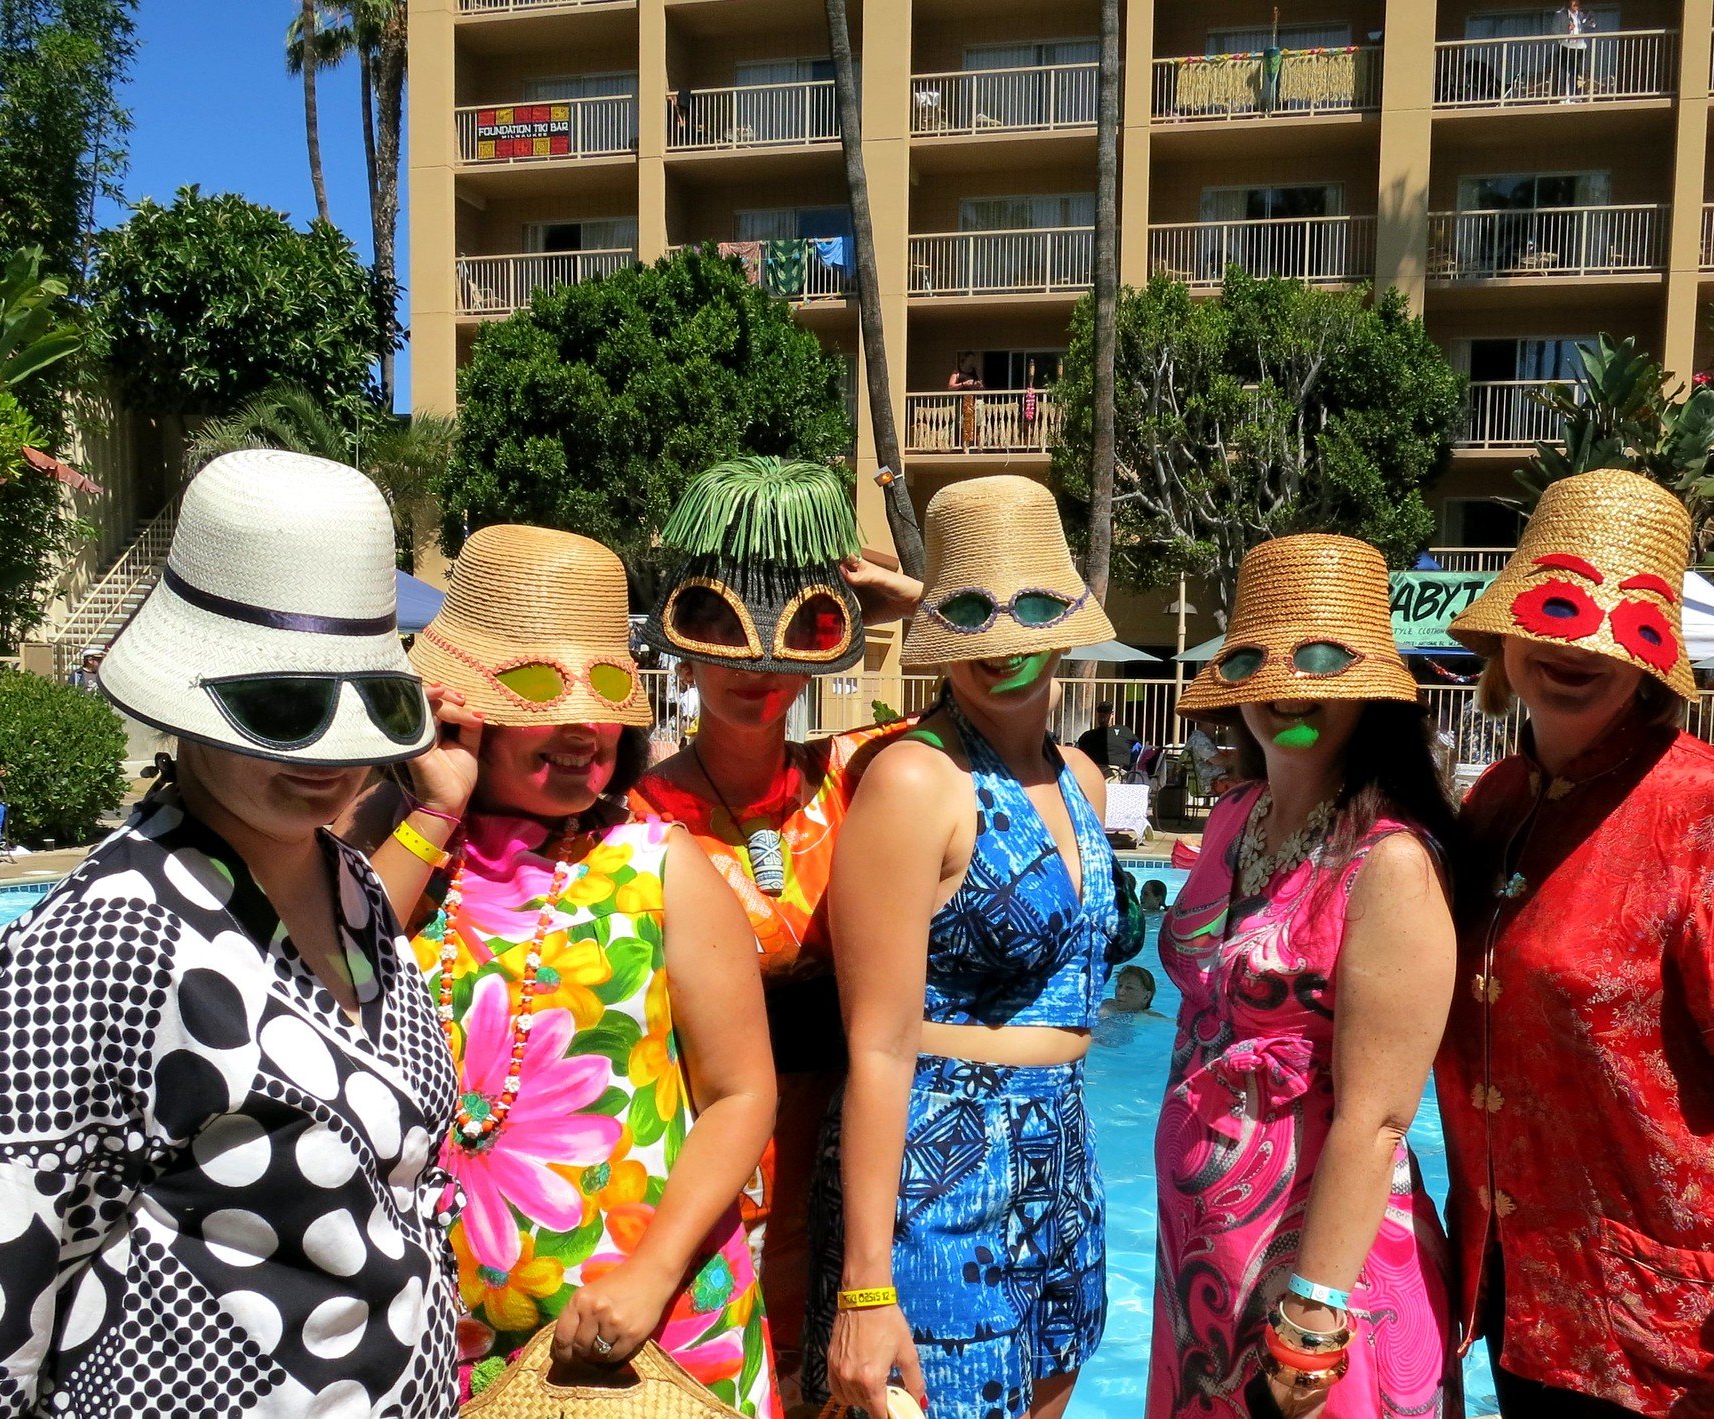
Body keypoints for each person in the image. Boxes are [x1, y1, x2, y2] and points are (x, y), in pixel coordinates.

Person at [0, 450, 460, 1415]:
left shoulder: (351, 882)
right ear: (189, 698)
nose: (328, 753)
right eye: (284, 706)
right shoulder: (101, 941)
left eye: (369, 700)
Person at [1437, 468, 1714, 1418]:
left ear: (1655, 655)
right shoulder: (1494, 804)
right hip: (1514, 1301)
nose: (1575, 653)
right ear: (1508, 633)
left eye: (1612, 633)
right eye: (1556, 620)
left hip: (1664, 1334)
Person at [373, 524, 781, 1409]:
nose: (576, 727)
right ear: (462, 705)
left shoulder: (660, 866)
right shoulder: (390, 857)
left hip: (652, 1329)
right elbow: (317, 979)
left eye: (602, 691)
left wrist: (649, 1274)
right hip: (429, 1335)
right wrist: (434, 812)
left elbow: (743, 1094)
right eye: (530, 689)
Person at [810, 474, 1140, 1419]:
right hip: (941, 1169)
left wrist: (949, 603)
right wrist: (868, 1287)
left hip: (1063, 1154)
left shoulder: (1075, 771)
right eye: (967, 616)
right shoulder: (918, 780)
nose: (1001, 643)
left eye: (1031, 609)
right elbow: (877, 1044)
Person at [625, 455, 921, 1396]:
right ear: (680, 640)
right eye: (719, 632)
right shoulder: (635, 816)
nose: (754, 668)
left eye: (785, 640)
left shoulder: (860, 771)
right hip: (714, 1171)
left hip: (846, 1170)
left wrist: (908, 597)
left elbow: (989, 673)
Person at [1151, 534, 1459, 1419]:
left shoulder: (1390, 862)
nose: (1291, 690)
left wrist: (1314, 1312)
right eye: (1262, 663)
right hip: (1201, 1254)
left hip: (1323, 1272)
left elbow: (1378, 1114)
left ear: (1369, 691)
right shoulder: (1234, 818)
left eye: (1323, 665)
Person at [1078, 701, 1134, 773]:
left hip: (1115, 771)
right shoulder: (1088, 735)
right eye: (1100, 712)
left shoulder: (1124, 731)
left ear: (1112, 714)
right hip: (1095, 770)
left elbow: (1137, 750)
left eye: (1105, 712)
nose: (1102, 715)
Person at [1183, 721, 1234, 799]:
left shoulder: (1194, 738)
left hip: (1205, 781)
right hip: (1210, 783)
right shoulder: (1201, 741)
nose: (1216, 726)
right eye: (1211, 722)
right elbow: (1221, 761)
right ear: (1202, 722)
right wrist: (1239, 761)